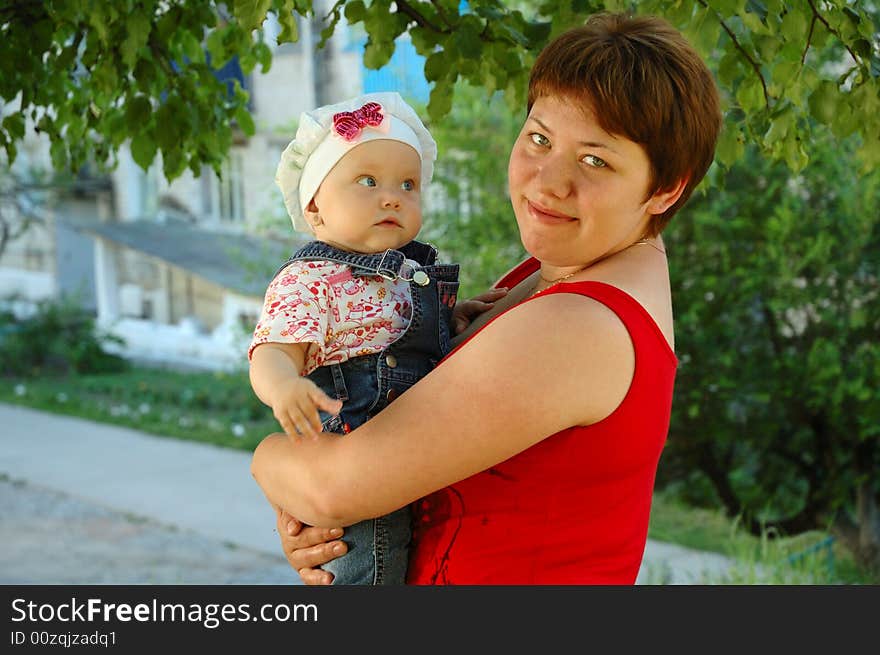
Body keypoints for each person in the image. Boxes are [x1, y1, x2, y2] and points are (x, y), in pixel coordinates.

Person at [251, 12, 722, 584]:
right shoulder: (558, 267)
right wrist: (331, 529)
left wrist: (273, 464)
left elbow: (333, 488)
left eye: (595, 160)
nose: (548, 181)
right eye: (540, 138)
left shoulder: (579, 323)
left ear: (666, 187)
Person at [249, 91, 500, 584]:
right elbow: (272, 350)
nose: (392, 196)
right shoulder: (310, 279)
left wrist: (453, 319)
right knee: (368, 572)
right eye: (367, 181)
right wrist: (284, 387)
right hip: (354, 457)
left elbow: (412, 337)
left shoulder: (410, 271)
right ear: (315, 206)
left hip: (409, 456)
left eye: (408, 184)